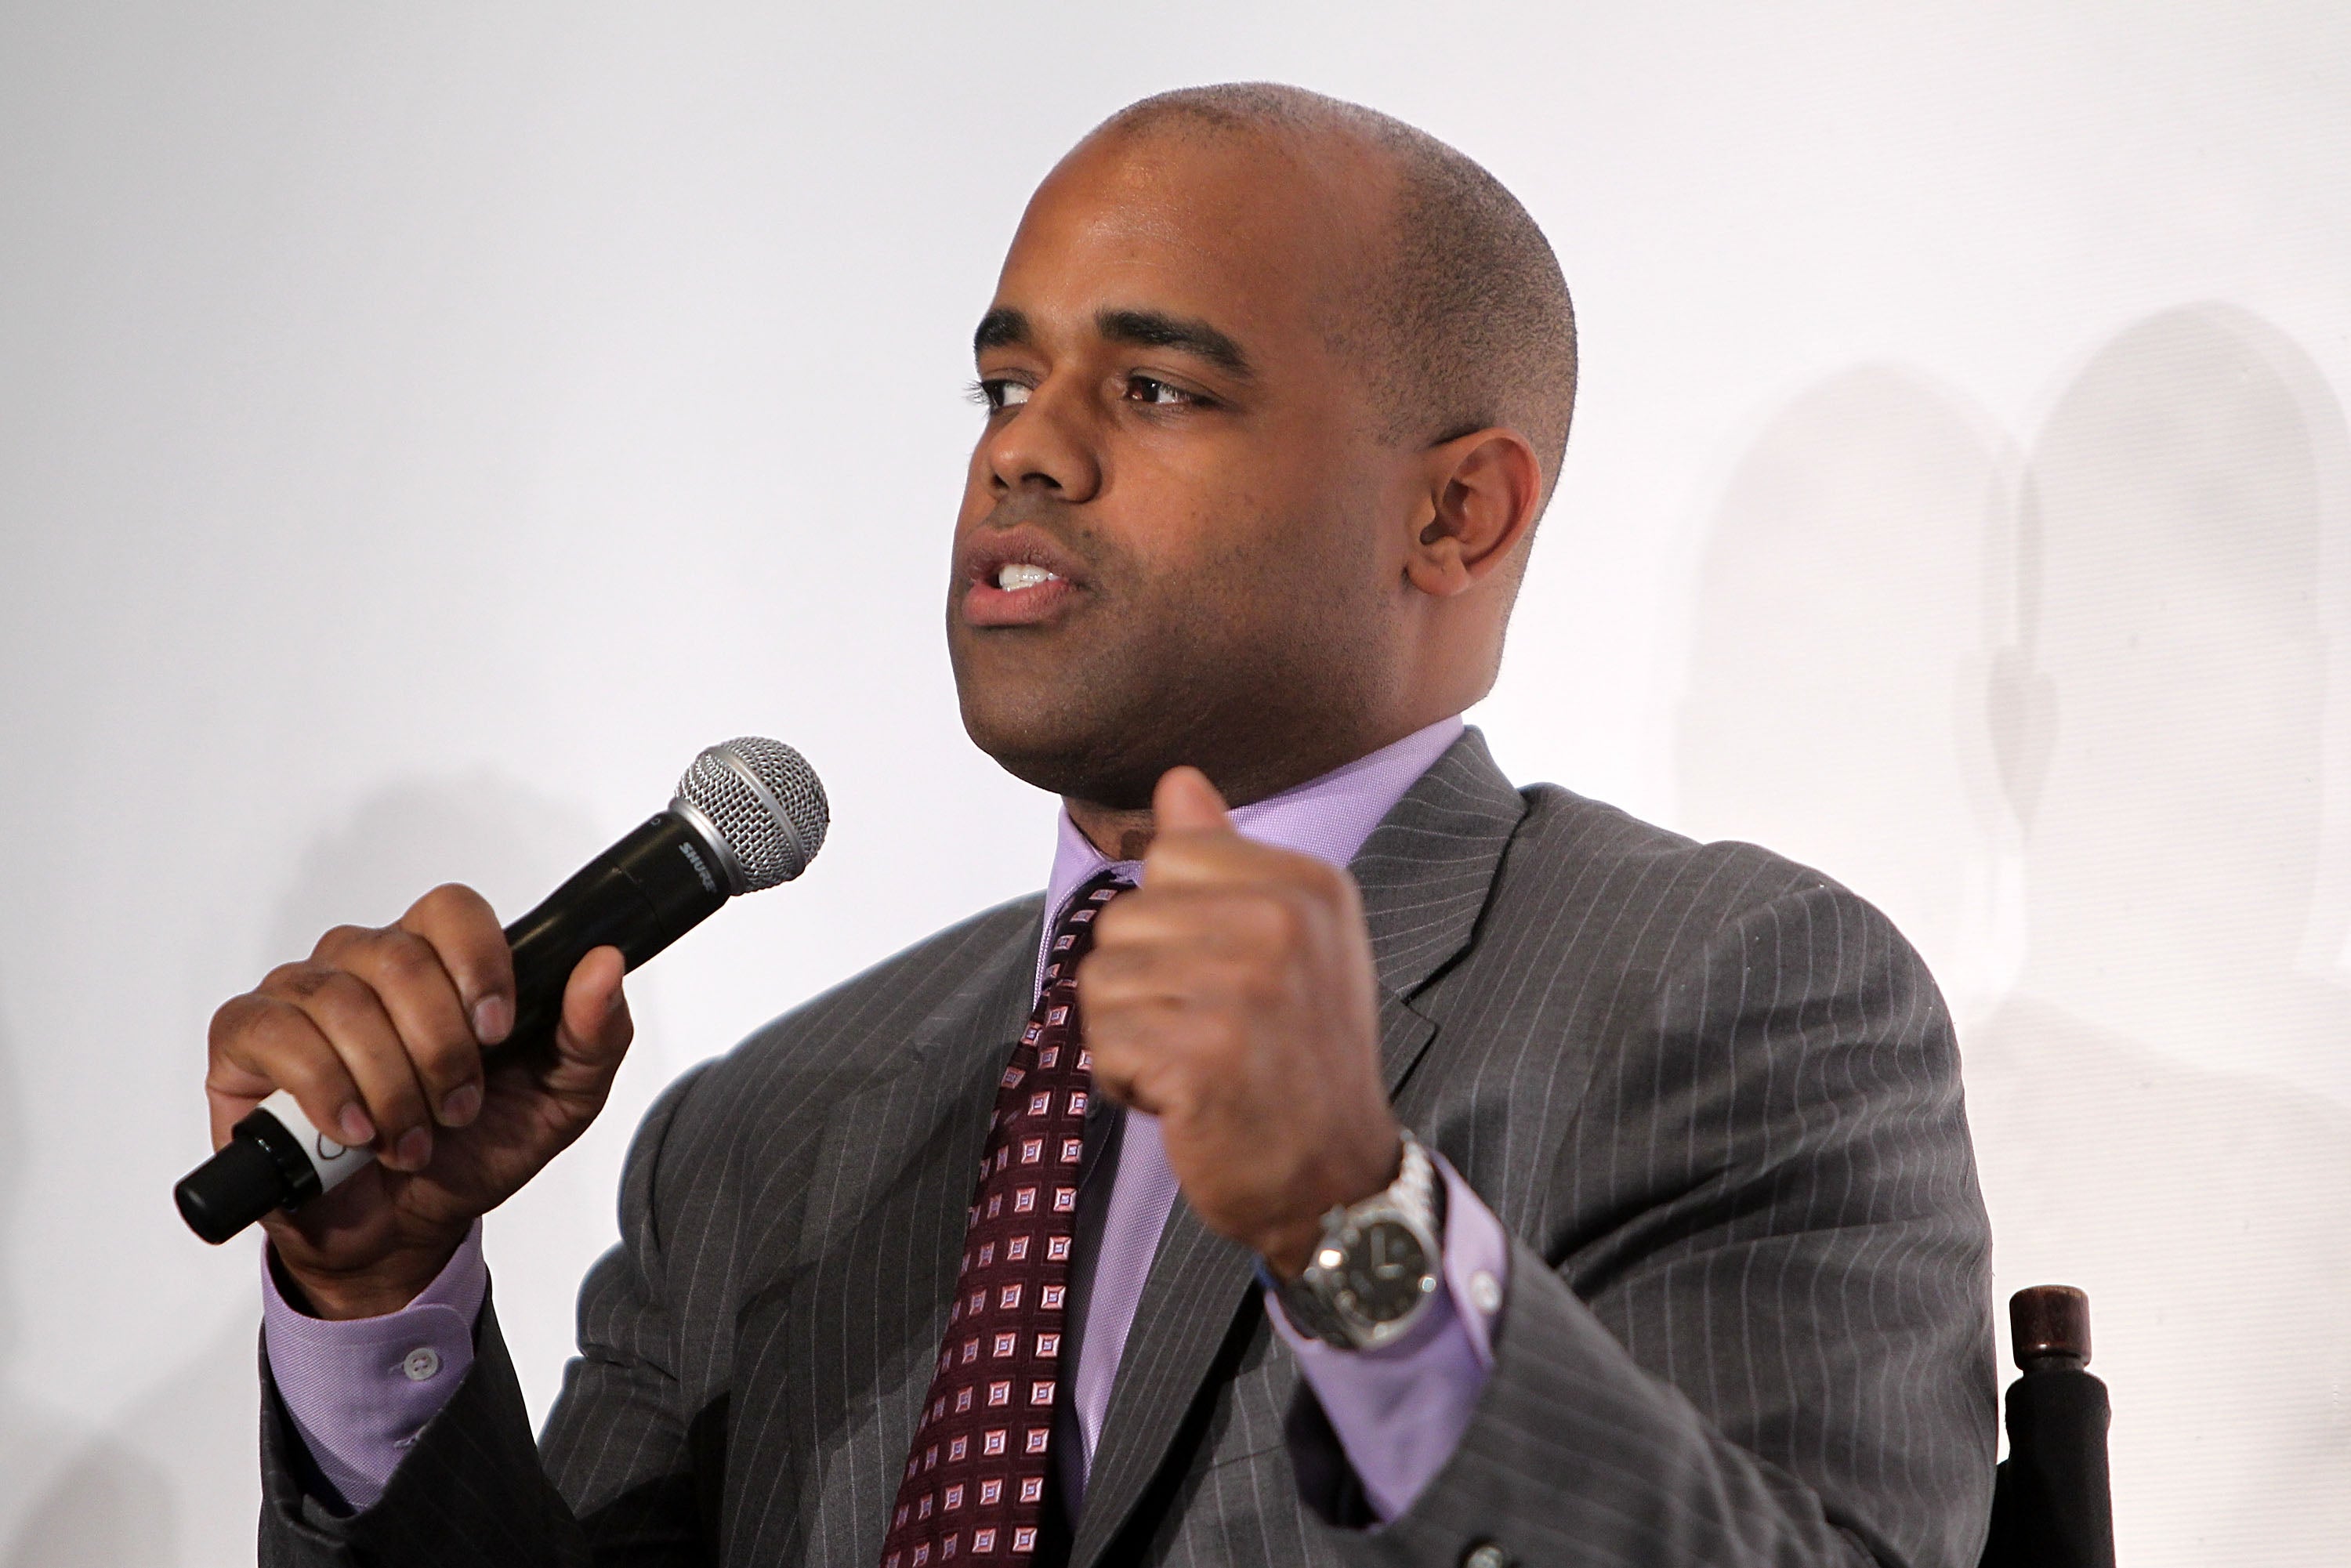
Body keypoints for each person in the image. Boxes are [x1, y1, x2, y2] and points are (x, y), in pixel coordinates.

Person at [213, 83, 1994, 1568]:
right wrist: (375, 1301)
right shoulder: (758, 1139)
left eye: (1155, 390)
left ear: (1456, 512)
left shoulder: (1730, 991)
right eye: (1003, 386)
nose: (1023, 455)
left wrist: (1350, 1218)